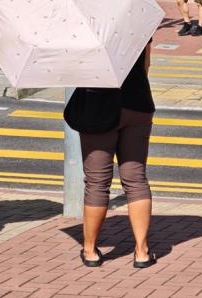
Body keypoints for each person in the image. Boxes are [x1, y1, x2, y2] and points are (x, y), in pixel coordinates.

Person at [73, 40, 156, 269]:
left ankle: (90, 251)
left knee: (97, 182)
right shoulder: (137, 17)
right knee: (136, 179)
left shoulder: (84, 28)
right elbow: (145, 66)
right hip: (137, 101)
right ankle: (141, 251)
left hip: (97, 105)